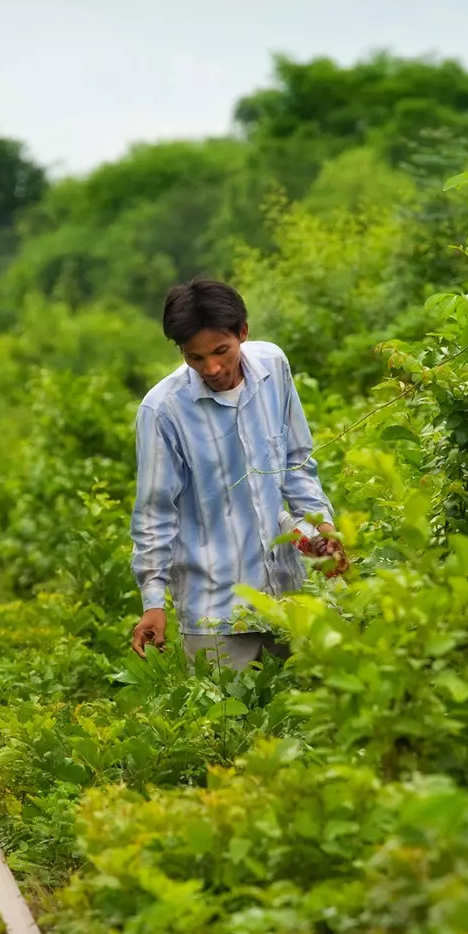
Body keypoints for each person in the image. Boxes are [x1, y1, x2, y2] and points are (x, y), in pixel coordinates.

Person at [130, 278, 347, 670]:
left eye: (220, 351)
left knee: (306, 717)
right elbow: (155, 513)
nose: (211, 367)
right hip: (215, 612)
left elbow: (296, 463)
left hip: (287, 596)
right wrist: (153, 602)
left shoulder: (273, 368)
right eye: (195, 358)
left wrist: (322, 527)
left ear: (242, 332)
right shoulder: (163, 411)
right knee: (231, 728)